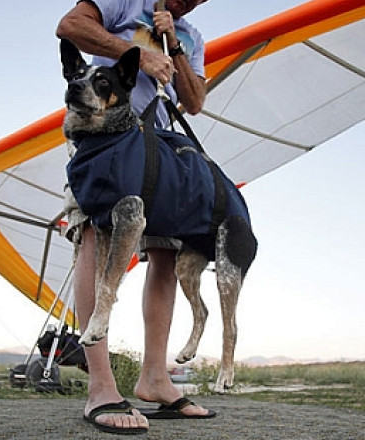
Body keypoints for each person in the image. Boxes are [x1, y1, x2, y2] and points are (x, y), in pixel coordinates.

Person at [57, 0, 211, 434]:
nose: (191, 1)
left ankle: (155, 378)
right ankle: (101, 387)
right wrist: (139, 54)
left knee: (166, 251)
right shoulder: (124, 1)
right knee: (95, 236)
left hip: (157, 146)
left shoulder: (192, 36)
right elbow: (69, 26)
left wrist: (174, 47)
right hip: (103, 137)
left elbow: (194, 101)